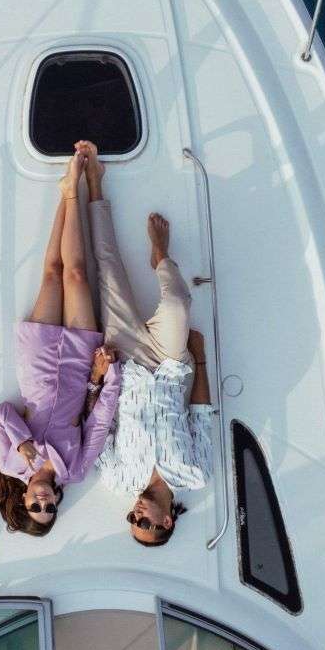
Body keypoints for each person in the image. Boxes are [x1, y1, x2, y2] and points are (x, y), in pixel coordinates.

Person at [0, 151, 122, 536]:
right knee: (77, 275)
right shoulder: (74, 469)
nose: (43, 500)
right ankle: (72, 191)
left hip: (37, 362)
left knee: (52, 274)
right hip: (77, 366)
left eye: (35, 507)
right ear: (57, 502)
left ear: (22, 501)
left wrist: (23, 443)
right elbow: (100, 421)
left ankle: (66, 192)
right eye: (49, 508)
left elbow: (3, 411)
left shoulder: (10, 464)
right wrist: (112, 375)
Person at [77, 140, 216, 548]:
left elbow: (96, 424)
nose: (137, 514)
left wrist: (98, 377)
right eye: (147, 523)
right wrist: (201, 360)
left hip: (126, 364)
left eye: (132, 520)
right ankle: (160, 257)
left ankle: (95, 184)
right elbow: (202, 415)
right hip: (172, 365)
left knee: (108, 270)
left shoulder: (118, 478)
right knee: (177, 303)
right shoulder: (196, 473)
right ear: (168, 522)